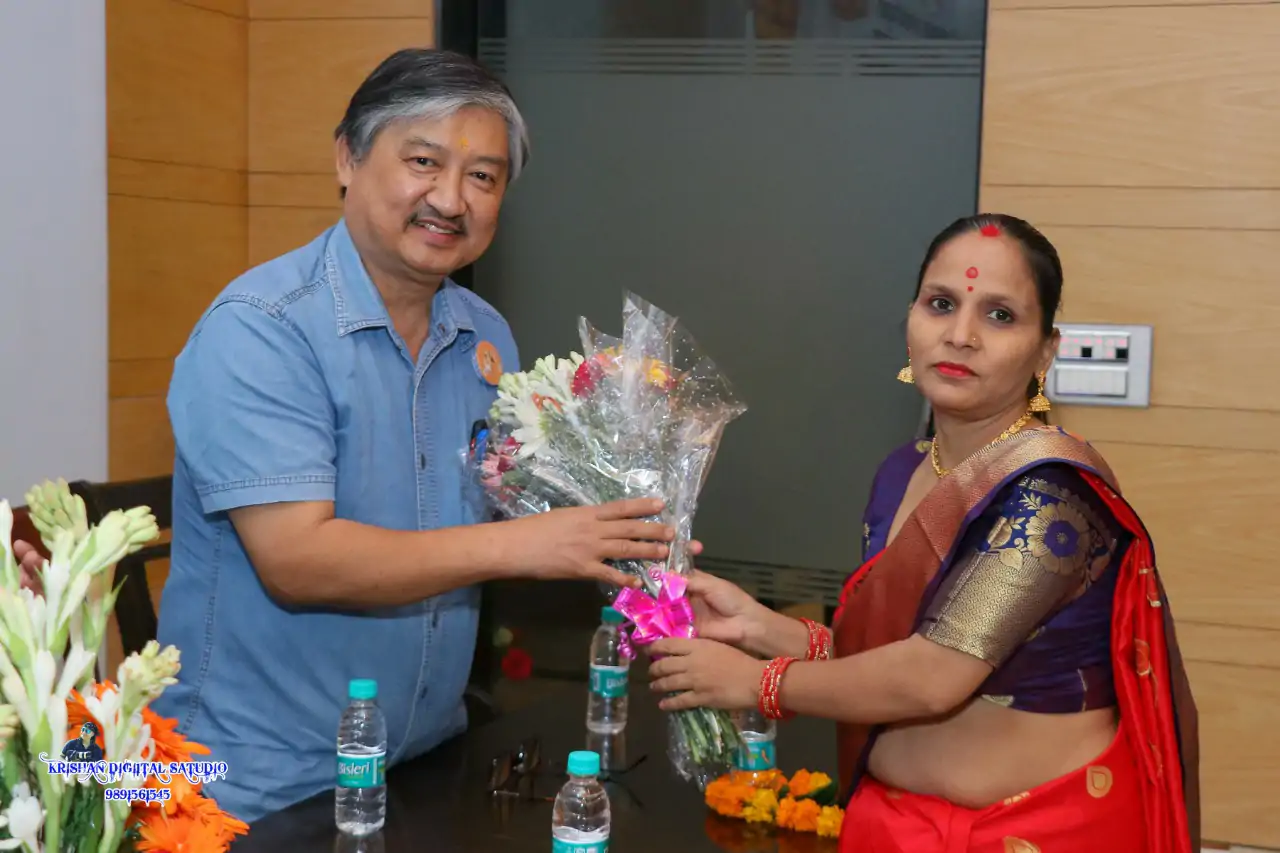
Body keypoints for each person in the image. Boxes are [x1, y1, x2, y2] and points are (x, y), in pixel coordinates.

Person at [136, 49, 682, 823]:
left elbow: (495, 510)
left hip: (425, 760)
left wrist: (623, 519)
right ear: (347, 158)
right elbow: (297, 559)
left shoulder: (484, 335)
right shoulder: (261, 330)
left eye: (483, 176)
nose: (451, 199)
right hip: (250, 785)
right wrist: (528, 544)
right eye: (424, 162)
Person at [646, 214, 1199, 852]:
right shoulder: (902, 472)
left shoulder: (1049, 498)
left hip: (1032, 833)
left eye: (999, 316)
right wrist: (758, 626)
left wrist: (758, 681)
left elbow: (930, 677)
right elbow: (884, 650)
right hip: (893, 825)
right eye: (941, 304)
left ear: (1046, 350)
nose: (960, 335)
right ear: (910, 318)